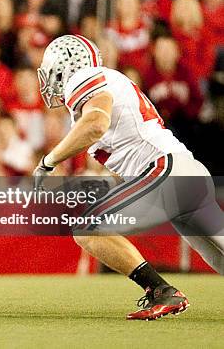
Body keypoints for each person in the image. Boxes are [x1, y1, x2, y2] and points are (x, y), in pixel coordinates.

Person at [33, 35, 224, 320]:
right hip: (185, 171)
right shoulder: (106, 81)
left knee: (88, 227)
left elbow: (96, 125)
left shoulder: (83, 78)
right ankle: (160, 291)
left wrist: (48, 161)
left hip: (165, 170)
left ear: (63, 66)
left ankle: (160, 291)